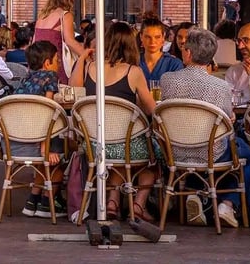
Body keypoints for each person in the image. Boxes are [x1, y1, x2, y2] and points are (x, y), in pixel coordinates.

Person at [160, 27, 250, 228]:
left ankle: (196, 194)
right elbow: (228, 119)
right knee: (249, 157)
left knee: (236, 149)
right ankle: (228, 203)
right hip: (210, 152)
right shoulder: (220, 86)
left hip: (174, 151)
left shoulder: (167, 80)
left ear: (187, 53)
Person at [69, 21, 157, 221]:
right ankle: (138, 205)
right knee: (155, 158)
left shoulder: (91, 67)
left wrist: (83, 56)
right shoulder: (133, 72)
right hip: (123, 145)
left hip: (94, 144)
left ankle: (113, 200)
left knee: (118, 154)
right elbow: (153, 109)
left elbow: (74, 91)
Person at [12, 41, 65, 218]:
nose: (58, 64)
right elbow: (47, 110)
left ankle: (32, 200)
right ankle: (47, 203)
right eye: (57, 60)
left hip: (17, 138)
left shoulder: (26, 77)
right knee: (63, 157)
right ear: (48, 63)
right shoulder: (50, 76)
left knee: (58, 153)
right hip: (38, 136)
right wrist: (45, 144)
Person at [33, 0, 83, 84]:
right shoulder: (65, 15)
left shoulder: (41, 16)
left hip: (38, 64)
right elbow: (70, 41)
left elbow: (34, 42)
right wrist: (87, 55)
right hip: (55, 63)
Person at [138, 18, 184, 83]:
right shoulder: (133, 62)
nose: (152, 42)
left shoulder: (174, 64)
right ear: (141, 37)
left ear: (163, 37)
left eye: (157, 37)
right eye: (148, 37)